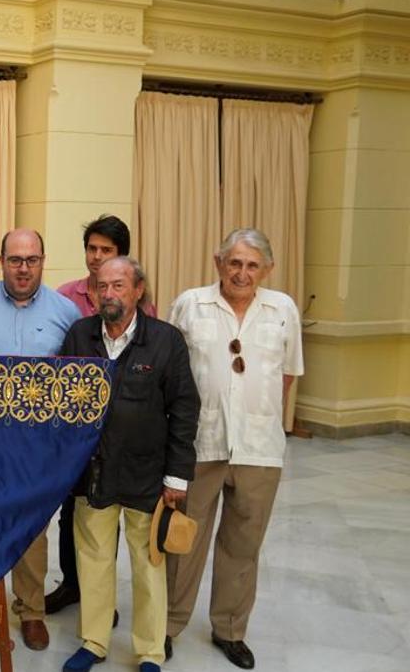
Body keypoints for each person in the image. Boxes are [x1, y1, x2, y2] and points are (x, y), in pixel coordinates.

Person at [165, 228, 303, 670]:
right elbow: (173, 375)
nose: (242, 273)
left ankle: (229, 628)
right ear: (218, 262)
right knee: (182, 539)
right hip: (200, 443)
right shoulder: (191, 304)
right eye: (235, 262)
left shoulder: (282, 309)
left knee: (243, 544)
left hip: (260, 449)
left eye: (252, 265)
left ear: (267, 269)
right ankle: (167, 624)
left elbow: (287, 375)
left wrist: (256, 415)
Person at [59, 257, 199, 672]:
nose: (109, 294)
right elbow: (63, 405)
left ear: (139, 290)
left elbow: (185, 410)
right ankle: (94, 641)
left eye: (119, 286)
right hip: (94, 475)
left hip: (147, 476)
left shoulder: (165, 341)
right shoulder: (80, 335)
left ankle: (150, 651)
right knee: (94, 560)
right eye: (102, 287)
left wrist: (177, 477)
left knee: (148, 565)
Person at [0, 228, 81, 651]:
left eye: (31, 259)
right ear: (1, 261)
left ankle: (30, 610)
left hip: (38, 445)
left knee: (32, 527)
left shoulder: (65, 311)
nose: (24, 268)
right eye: (15, 259)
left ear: (43, 261)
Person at [48, 214, 156, 616]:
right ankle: (72, 586)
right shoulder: (64, 297)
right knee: (72, 512)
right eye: (92, 249)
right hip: (77, 433)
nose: (96, 258)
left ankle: (101, 596)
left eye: (106, 251)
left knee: (108, 516)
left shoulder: (140, 300)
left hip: (121, 432)